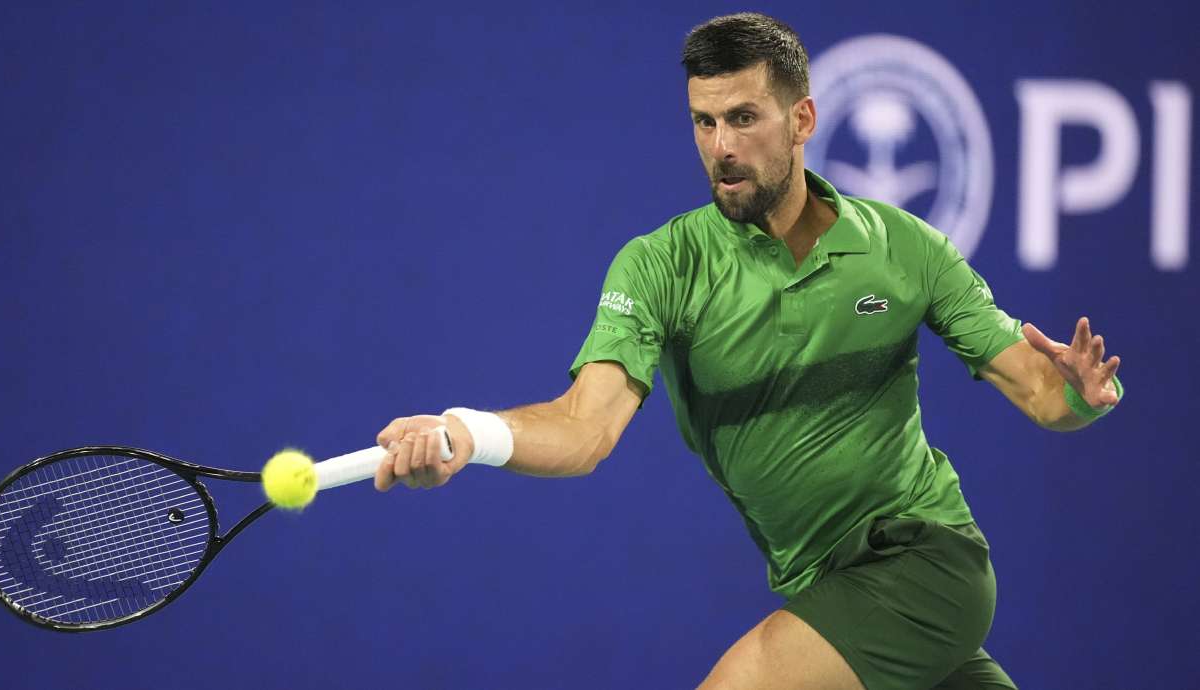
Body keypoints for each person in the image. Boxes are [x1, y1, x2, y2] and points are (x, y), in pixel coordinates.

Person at [372, 12, 1123, 690]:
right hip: (830, 590)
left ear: (802, 119)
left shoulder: (906, 249)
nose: (721, 149)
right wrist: (468, 433)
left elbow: (1039, 391)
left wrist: (1081, 397)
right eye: (703, 123)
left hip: (925, 561)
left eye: (743, 118)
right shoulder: (661, 265)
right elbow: (584, 428)